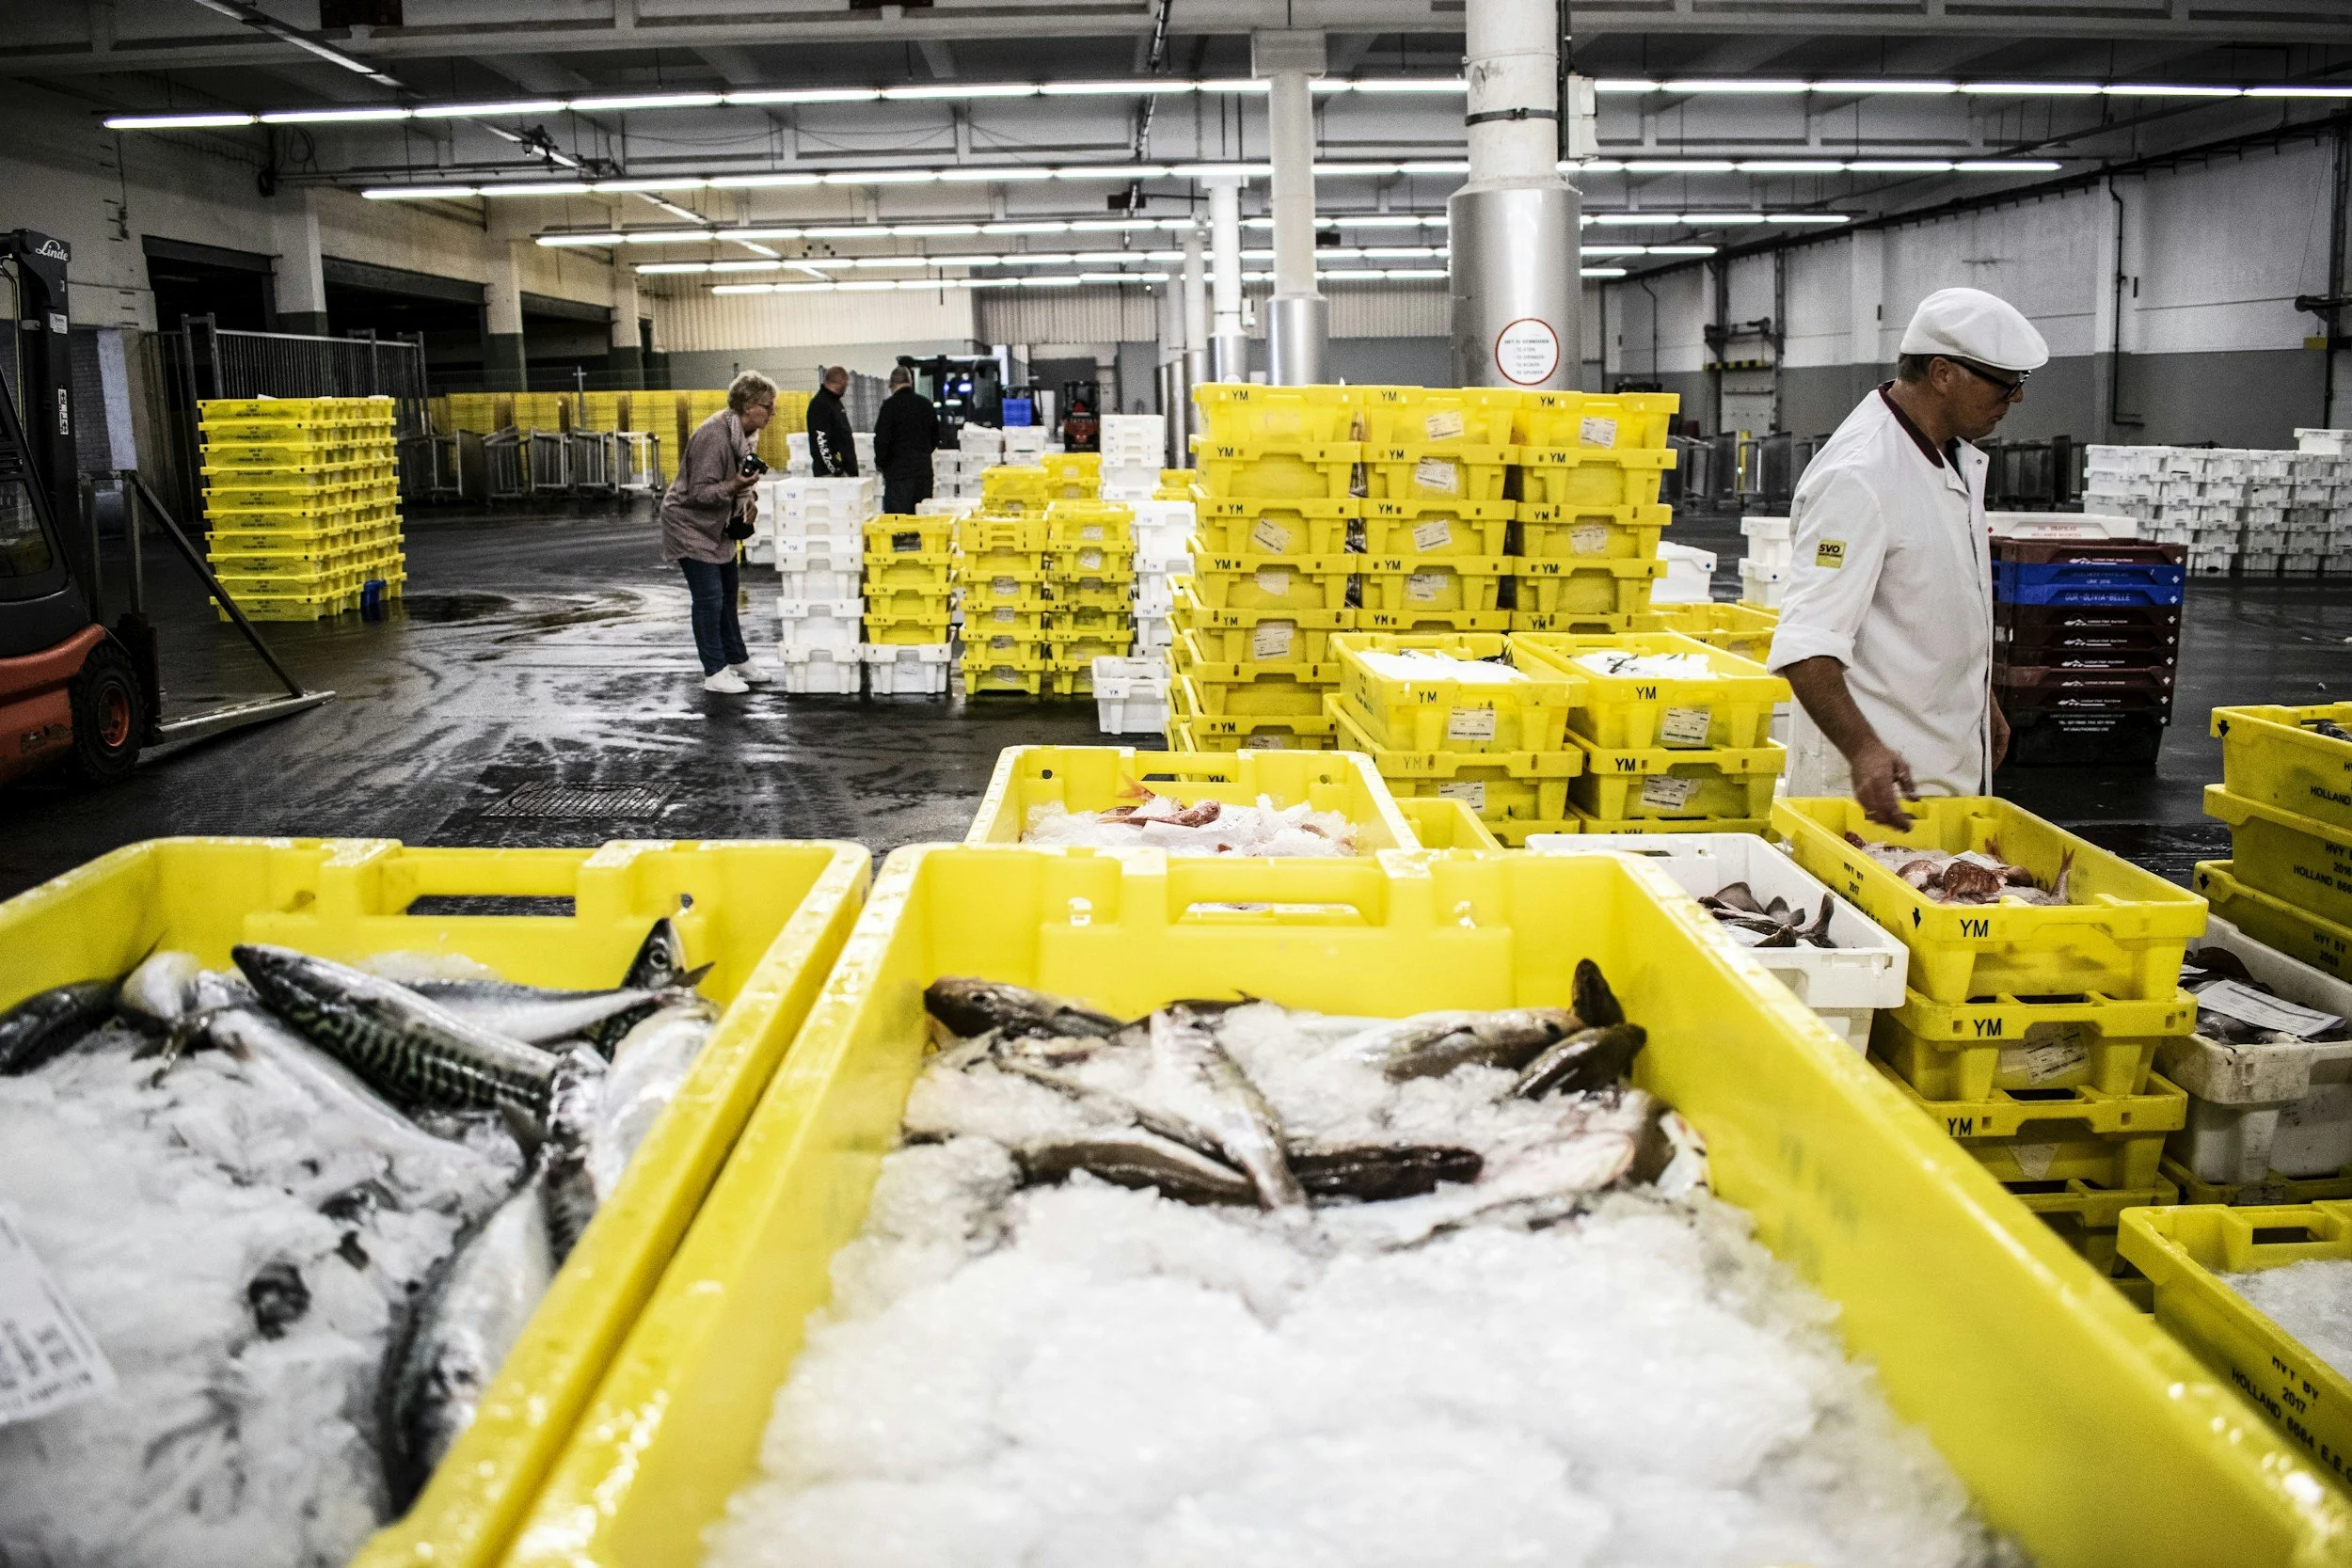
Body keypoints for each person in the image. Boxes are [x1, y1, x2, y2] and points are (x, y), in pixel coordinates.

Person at [1764, 286, 2050, 829]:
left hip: (1939, 766)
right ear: (1942, 373)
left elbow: (1932, 603)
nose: (2015, 399)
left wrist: (1978, 697)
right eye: (2006, 383)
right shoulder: (1859, 475)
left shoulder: (1954, 457)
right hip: (1875, 791)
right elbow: (1806, 646)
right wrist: (1865, 751)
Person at [660, 370, 775, 695]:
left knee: (727, 594)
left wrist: (748, 498)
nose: (772, 413)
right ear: (749, 405)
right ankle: (714, 670)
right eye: (767, 406)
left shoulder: (745, 436)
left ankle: (737, 659)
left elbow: (736, 481)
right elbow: (700, 493)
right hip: (689, 525)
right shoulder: (715, 435)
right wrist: (737, 485)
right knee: (709, 598)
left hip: (717, 525)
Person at [871, 366, 938, 514]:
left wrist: (881, 463)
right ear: (911, 382)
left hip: (898, 476)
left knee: (899, 525)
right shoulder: (926, 405)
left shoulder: (889, 407)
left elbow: (882, 440)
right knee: (921, 521)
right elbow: (936, 438)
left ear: (892, 385)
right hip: (923, 473)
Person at [806, 365, 858, 477]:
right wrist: (837, 471)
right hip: (831, 475)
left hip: (845, 473)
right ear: (842, 382)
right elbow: (821, 443)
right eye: (846, 383)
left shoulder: (835, 402)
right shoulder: (820, 404)